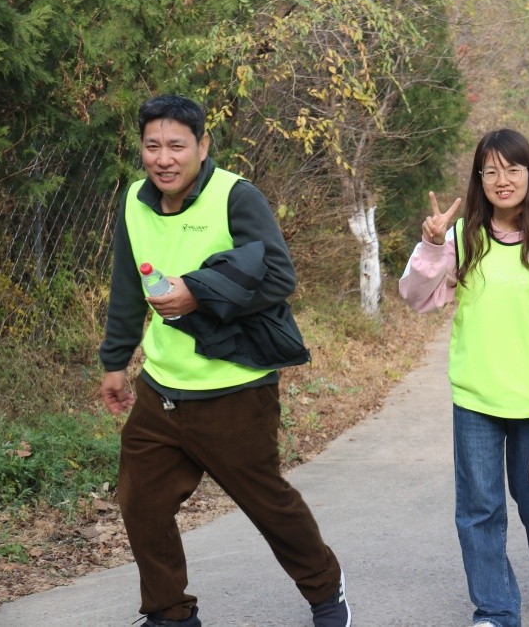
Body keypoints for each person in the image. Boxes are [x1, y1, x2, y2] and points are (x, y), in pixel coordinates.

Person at [99, 95, 350, 627]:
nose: (163, 158)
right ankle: (170, 613)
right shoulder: (134, 202)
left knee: (267, 505)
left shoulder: (235, 195)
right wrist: (115, 362)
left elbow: (279, 277)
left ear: (202, 145)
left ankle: (326, 589)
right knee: (141, 503)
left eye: (176, 145)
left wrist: (197, 291)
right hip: (161, 389)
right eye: (152, 146)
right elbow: (126, 287)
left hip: (235, 391)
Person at [399, 128, 529, 627]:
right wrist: (431, 246)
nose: (501, 180)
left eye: (512, 169)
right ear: (478, 179)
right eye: (490, 171)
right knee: (479, 509)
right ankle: (495, 610)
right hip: (476, 394)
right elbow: (417, 298)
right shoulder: (463, 236)